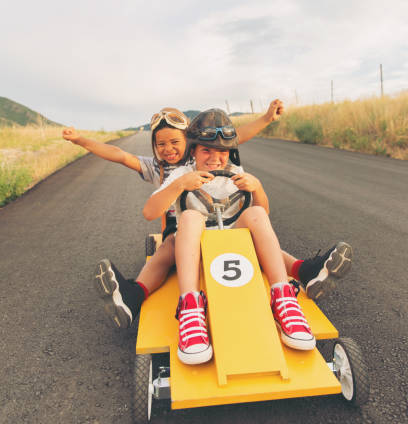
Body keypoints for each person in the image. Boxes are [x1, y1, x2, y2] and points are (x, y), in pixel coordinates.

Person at [62, 103, 352, 329]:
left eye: (175, 142)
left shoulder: (204, 153)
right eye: (161, 144)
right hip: (183, 227)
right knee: (166, 250)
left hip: (222, 222)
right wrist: (81, 141)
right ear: (154, 147)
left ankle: (305, 271)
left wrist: (266, 118)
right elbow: (118, 155)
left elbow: (235, 140)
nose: (168, 149)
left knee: (260, 239)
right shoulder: (161, 169)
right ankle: (133, 296)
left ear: (188, 142)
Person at [142, 109, 352, 364]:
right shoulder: (180, 175)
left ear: (230, 152)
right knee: (189, 217)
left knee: (255, 213)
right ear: (193, 151)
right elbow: (149, 212)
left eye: (222, 151)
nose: (215, 158)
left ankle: (282, 296)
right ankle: (190, 307)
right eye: (206, 150)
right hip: (195, 249)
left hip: (234, 244)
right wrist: (180, 185)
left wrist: (258, 187)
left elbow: (264, 211)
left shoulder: (235, 171)